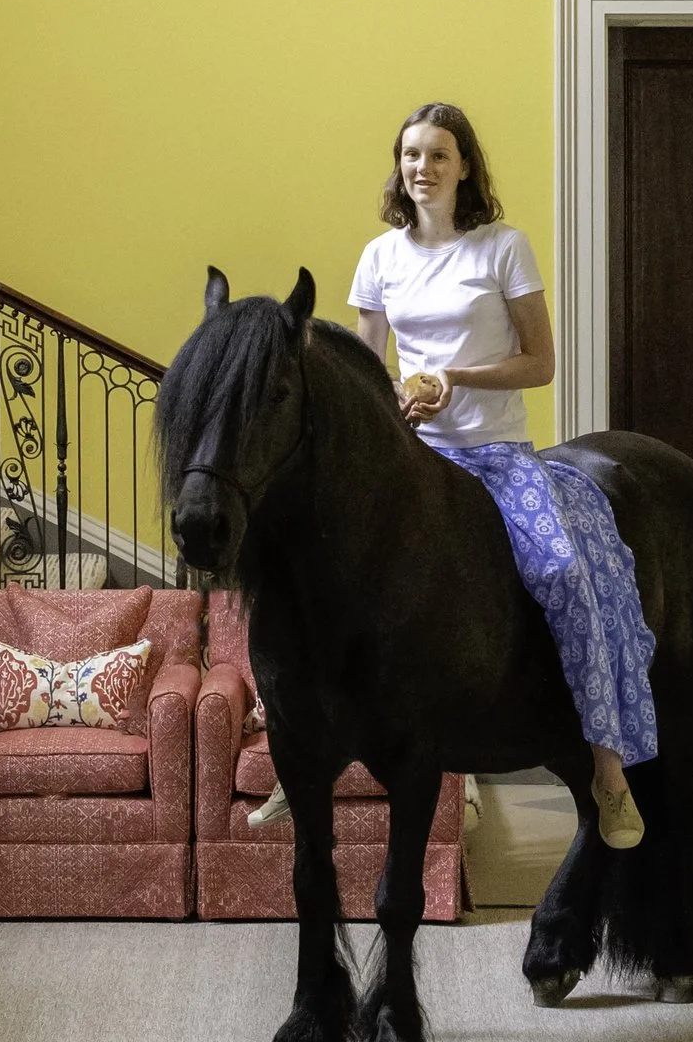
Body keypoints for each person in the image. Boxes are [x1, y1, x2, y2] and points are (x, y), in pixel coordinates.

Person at [249, 100, 656, 852]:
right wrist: (390, 404)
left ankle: (607, 766)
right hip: (410, 459)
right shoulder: (380, 258)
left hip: (496, 458)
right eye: (411, 155)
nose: (422, 169)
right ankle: (302, 758)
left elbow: (541, 363)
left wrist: (452, 378)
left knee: (566, 571)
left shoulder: (503, 247)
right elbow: (369, 370)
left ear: (465, 165)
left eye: (438, 155)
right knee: (307, 575)